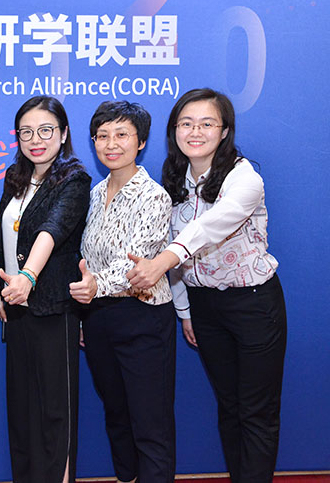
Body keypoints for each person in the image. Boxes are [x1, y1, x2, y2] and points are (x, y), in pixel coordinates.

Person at [127, 88, 287, 482]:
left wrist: (163, 261)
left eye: (206, 123)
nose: (195, 132)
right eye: (186, 123)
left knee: (257, 411)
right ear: (174, 131)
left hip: (253, 305)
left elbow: (210, 227)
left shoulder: (244, 178)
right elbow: (178, 252)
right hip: (205, 308)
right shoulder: (175, 180)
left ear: (224, 130)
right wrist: (185, 311)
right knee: (230, 406)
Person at [69, 101, 176, 482]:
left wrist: (96, 285)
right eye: (102, 136)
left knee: (150, 421)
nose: (111, 144)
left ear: (141, 141)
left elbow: (138, 266)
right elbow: (88, 260)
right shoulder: (95, 194)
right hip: (99, 318)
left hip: (142, 318)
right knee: (116, 413)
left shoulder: (154, 197)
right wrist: (86, 313)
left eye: (121, 134)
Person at [0, 95, 90, 483]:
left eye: (46, 130)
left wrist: (28, 277)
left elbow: (53, 229)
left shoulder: (74, 179)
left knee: (54, 412)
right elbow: (1, 235)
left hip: (52, 307)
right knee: (23, 410)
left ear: (63, 134)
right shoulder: (15, 177)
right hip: (16, 309)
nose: (36, 140)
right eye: (26, 132)